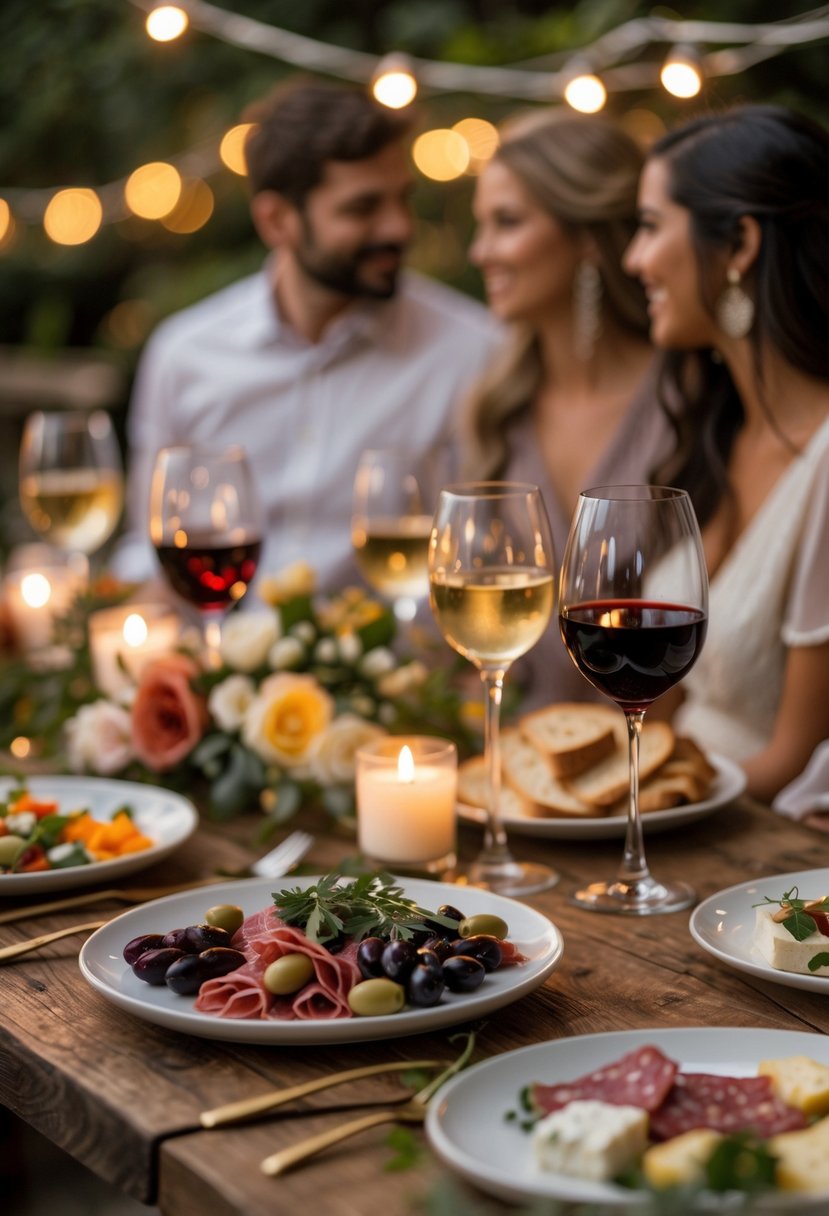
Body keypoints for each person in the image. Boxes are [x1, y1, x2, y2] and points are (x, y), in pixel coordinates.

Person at [115, 77, 497, 591]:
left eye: (401, 199)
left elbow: (491, 560)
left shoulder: (472, 352)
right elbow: (149, 550)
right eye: (362, 208)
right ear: (277, 221)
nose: (398, 228)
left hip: (405, 668)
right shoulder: (183, 356)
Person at [624, 104, 829, 803]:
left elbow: (790, 763)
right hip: (671, 818)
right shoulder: (722, 429)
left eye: (650, 227)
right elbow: (660, 711)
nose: (633, 260)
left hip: (748, 857)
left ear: (739, 243)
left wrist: (629, 827)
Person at [460, 108, 667, 710]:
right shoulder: (495, 408)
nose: (480, 251)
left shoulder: (687, 403)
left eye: (507, 222)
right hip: (518, 771)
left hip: (649, 772)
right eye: (481, 225)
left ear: (586, 236)